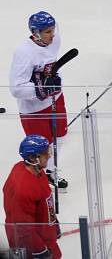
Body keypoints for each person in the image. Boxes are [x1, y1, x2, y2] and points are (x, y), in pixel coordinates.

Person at [9, 12, 69, 191]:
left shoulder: (54, 40)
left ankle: (49, 170)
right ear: (35, 33)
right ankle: (41, 174)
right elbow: (16, 88)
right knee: (42, 146)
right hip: (33, 109)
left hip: (56, 99)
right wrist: (40, 89)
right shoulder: (23, 53)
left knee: (61, 136)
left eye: (53, 30)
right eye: (47, 32)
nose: (52, 35)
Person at [3, 135, 61, 258]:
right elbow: (22, 226)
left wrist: (54, 222)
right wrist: (39, 250)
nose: (49, 155)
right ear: (32, 158)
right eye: (45, 153)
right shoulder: (23, 188)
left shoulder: (37, 171)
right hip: (31, 246)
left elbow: (45, 199)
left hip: (44, 235)